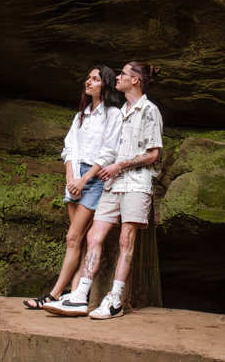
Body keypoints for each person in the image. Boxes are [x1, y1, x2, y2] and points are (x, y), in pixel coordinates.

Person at [44, 61, 162, 320]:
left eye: (122, 74)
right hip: (113, 183)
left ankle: (115, 299)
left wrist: (119, 165)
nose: (117, 76)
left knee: (125, 240)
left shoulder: (150, 111)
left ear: (135, 81)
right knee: (93, 238)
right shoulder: (120, 111)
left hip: (136, 182)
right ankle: (78, 295)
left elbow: (153, 154)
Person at [22, 65, 123, 310]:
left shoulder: (113, 115)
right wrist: (71, 177)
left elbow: (109, 153)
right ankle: (76, 296)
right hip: (75, 178)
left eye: (95, 79)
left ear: (105, 85)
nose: (88, 82)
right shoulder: (81, 115)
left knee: (72, 237)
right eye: (88, 78)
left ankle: (55, 295)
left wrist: (84, 179)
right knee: (79, 241)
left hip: (94, 180)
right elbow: (68, 148)